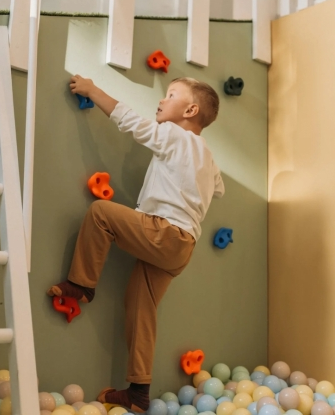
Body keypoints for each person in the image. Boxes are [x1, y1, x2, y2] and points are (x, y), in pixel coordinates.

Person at [47, 74, 225, 412]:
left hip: (164, 231)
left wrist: (92, 90)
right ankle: (138, 391)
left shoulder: (173, 135)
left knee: (101, 213)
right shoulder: (209, 157)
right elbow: (218, 188)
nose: (161, 100)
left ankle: (81, 285)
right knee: (141, 307)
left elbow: (130, 121)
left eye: (170, 95)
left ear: (190, 110)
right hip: (182, 247)